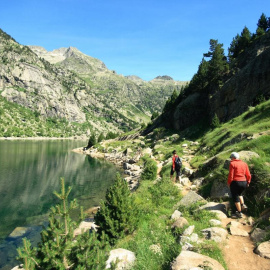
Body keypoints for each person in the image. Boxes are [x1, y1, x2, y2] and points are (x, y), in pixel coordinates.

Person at [227, 152, 251, 218]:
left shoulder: (232, 163)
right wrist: (248, 182)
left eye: (231, 158)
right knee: (239, 193)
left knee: (235, 197)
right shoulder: (244, 164)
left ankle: (239, 213)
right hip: (244, 182)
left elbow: (231, 175)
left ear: (233, 158)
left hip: (236, 182)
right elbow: (248, 174)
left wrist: (229, 183)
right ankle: (243, 205)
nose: (231, 159)